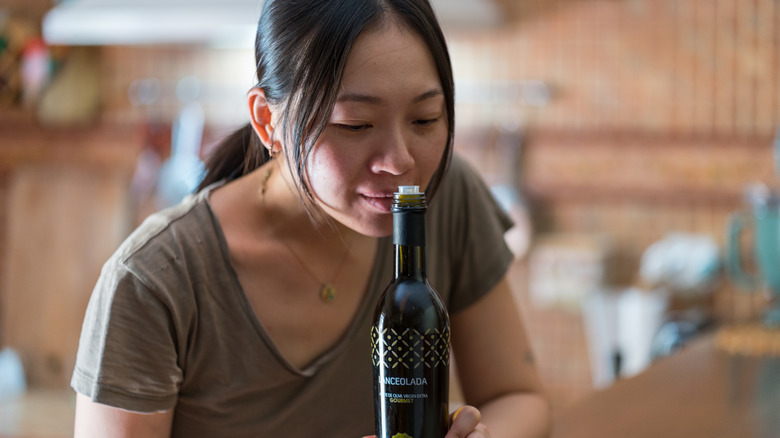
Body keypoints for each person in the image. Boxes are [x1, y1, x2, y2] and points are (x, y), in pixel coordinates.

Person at [70, 0, 552, 436]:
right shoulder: (153, 282)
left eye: (425, 119)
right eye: (355, 125)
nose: (401, 162)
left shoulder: (440, 200)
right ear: (267, 122)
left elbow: (520, 397)